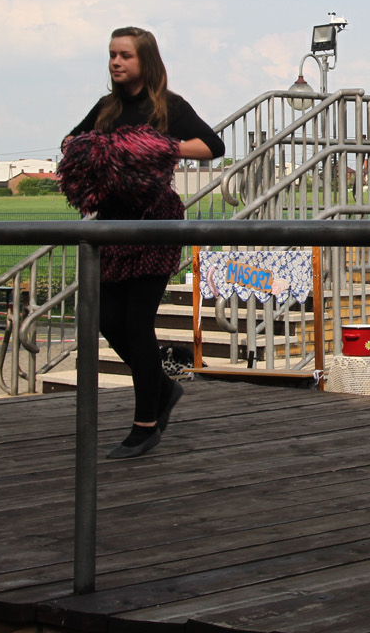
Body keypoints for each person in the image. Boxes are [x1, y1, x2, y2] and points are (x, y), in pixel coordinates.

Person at [65, 26, 226, 458]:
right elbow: (71, 141)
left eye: (125, 56)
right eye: (112, 55)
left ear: (145, 61)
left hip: (155, 223)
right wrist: (96, 150)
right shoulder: (106, 108)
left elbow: (213, 146)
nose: (116, 62)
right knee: (108, 321)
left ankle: (146, 423)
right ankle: (165, 389)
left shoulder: (168, 106)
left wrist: (158, 147)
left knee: (137, 323)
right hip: (112, 224)